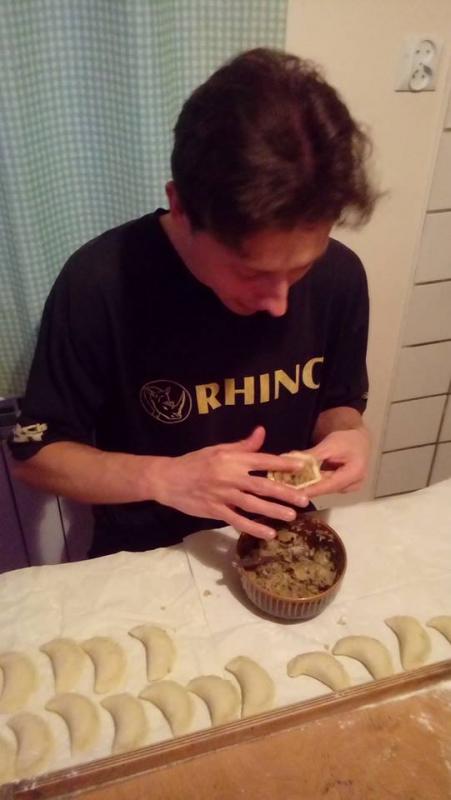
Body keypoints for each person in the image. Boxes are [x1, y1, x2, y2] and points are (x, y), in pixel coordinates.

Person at [9, 48, 377, 557]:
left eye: (301, 268)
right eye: (252, 271)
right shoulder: (99, 282)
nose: (279, 303)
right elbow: (36, 455)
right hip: (149, 552)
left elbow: (338, 402)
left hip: (282, 540)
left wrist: (351, 434)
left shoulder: (341, 276)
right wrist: (166, 478)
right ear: (181, 207)